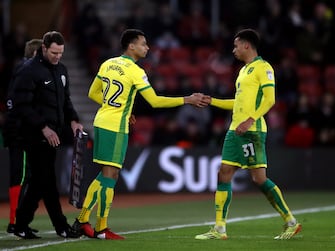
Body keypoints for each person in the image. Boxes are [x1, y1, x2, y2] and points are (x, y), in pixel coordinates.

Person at [72, 29, 209, 240]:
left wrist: (119, 108)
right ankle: (98, 227)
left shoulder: (108, 63)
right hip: (115, 126)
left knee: (109, 174)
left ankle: (84, 221)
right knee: (109, 176)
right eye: (143, 43)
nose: (147, 47)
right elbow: (154, 101)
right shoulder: (136, 71)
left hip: (103, 121)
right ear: (131, 46)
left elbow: (93, 93)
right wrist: (187, 99)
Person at [195, 28, 302, 240]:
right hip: (236, 129)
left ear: (246, 45)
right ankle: (219, 228)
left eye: (236, 45)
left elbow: (270, 100)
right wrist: (212, 101)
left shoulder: (263, 67)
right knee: (224, 172)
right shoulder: (243, 71)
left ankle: (291, 221)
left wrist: (250, 119)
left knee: (259, 178)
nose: (233, 50)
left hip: (251, 130)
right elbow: (238, 103)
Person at [10, 31, 83, 239]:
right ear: (43, 48)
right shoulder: (29, 71)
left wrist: (74, 120)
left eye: (60, 53)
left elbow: (65, 101)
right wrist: (43, 127)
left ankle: (21, 224)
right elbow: (22, 104)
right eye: (53, 52)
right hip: (34, 135)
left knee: (40, 182)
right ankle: (61, 226)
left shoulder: (61, 70)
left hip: (54, 135)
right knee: (48, 181)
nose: (57, 56)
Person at [2, 38, 43, 234]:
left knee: (25, 175)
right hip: (21, 129)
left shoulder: (20, 68)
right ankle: (15, 222)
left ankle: (17, 221)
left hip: (15, 127)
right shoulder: (28, 68)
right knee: (22, 175)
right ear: (36, 54)